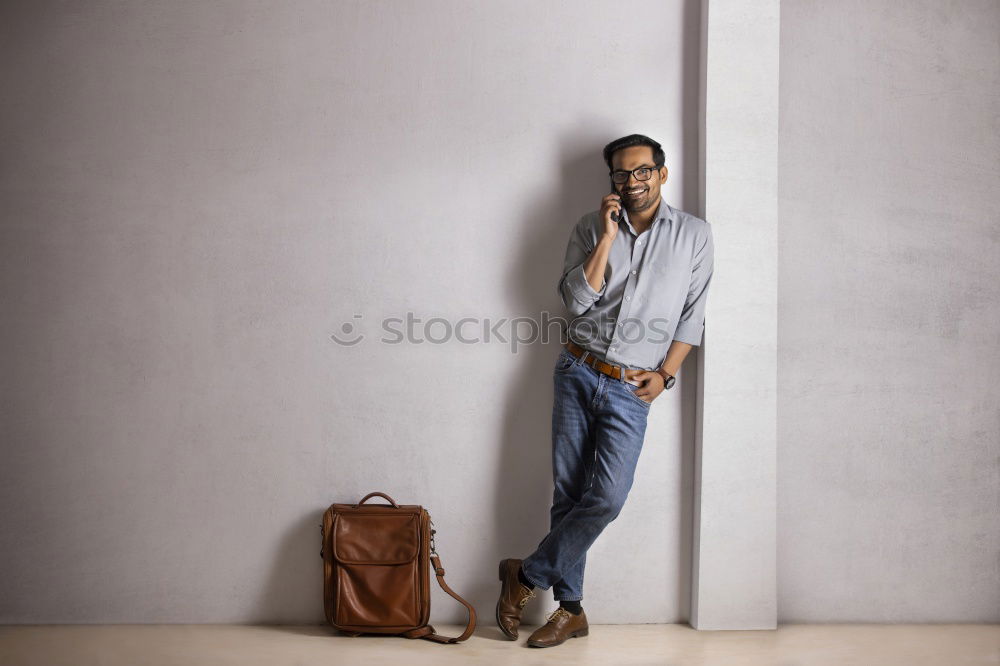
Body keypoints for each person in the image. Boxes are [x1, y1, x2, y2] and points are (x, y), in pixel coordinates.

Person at [495, 133, 715, 648]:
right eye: (622, 174)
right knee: (569, 495)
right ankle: (570, 611)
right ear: (612, 180)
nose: (633, 181)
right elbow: (575, 300)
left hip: (632, 387)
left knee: (607, 498)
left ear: (662, 173)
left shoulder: (694, 235)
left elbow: (693, 315)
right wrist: (608, 239)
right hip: (577, 369)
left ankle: (525, 575)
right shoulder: (590, 227)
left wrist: (665, 376)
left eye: (643, 171)